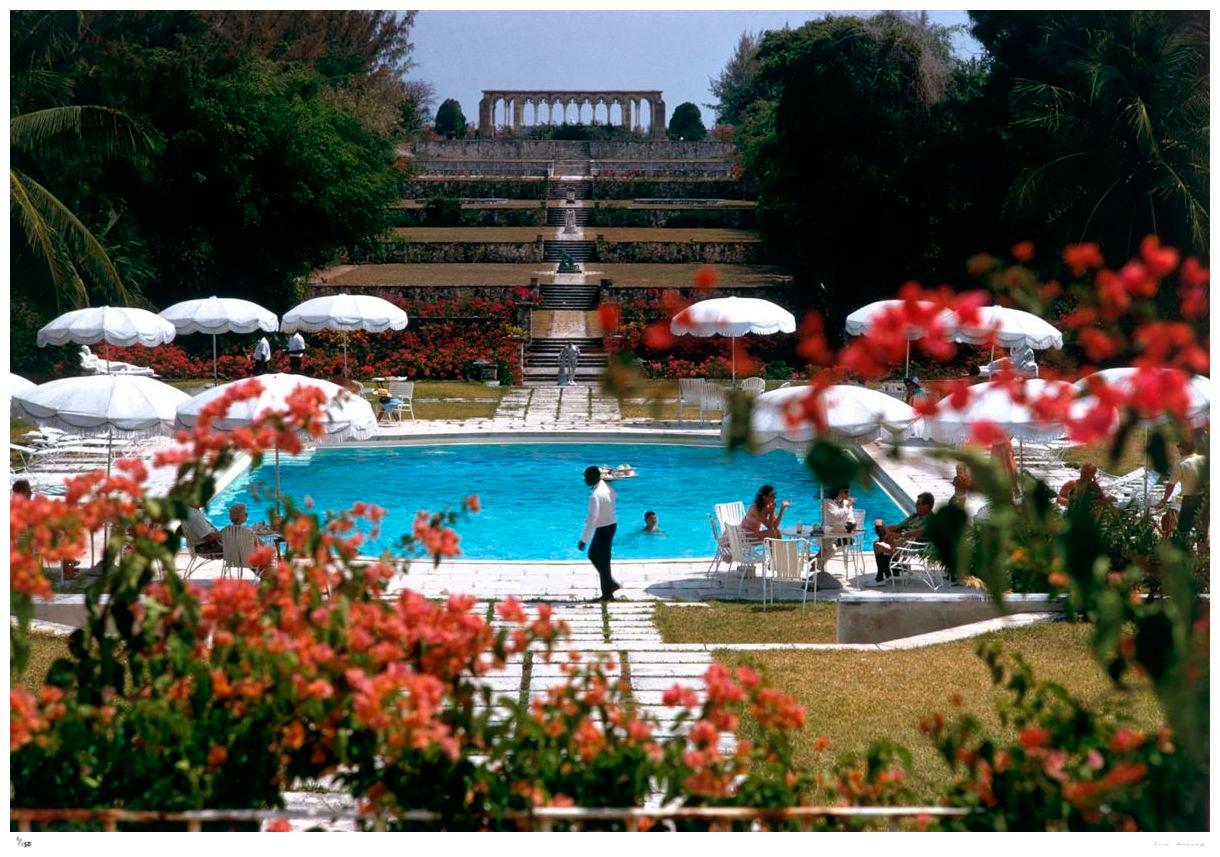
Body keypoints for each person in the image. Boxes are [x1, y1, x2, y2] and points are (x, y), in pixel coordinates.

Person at [867, 492, 935, 586]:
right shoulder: (914, 516)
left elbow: (916, 533)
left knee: (879, 545)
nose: (916, 506)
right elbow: (898, 526)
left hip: (912, 544)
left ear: (926, 505)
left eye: (918, 504)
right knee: (878, 530)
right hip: (901, 540)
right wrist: (887, 529)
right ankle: (892, 571)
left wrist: (897, 535)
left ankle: (881, 578)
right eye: (916, 504)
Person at [578, 465, 620, 601]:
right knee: (604, 559)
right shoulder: (607, 487)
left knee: (594, 555)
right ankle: (608, 591)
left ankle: (609, 585)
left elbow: (592, 520)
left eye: (586, 477)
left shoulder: (595, 496)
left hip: (603, 528)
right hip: (612, 525)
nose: (584, 479)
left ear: (591, 479)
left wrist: (584, 540)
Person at [1159, 436, 1207, 539]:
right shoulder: (1203, 459)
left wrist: (1164, 500)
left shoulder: (1181, 464)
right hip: (1205, 498)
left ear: (1182, 449)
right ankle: (1202, 551)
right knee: (1202, 528)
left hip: (1190, 499)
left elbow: (1171, 485)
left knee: (1184, 528)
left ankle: (1183, 548)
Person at [815, 485, 854, 571]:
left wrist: (852, 523)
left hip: (843, 535)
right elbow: (837, 516)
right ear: (838, 491)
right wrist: (847, 507)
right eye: (846, 491)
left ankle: (817, 563)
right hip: (828, 534)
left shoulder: (846, 503)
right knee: (830, 548)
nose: (848, 494)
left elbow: (850, 518)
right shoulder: (828, 502)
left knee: (830, 548)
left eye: (849, 491)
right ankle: (818, 562)